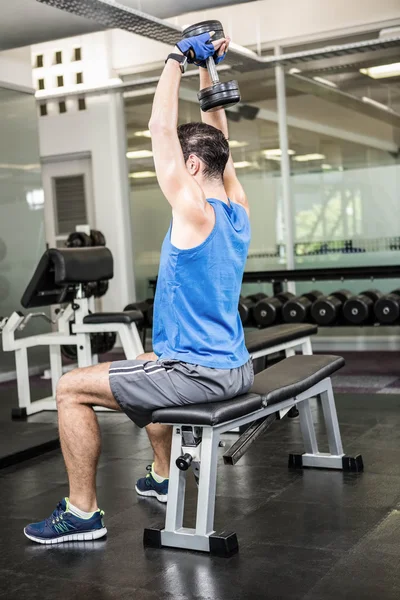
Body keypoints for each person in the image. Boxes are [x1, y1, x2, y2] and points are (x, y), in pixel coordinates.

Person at [24, 29, 252, 545]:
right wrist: (207, 69)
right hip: (232, 366)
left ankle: (82, 513)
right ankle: (162, 476)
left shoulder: (194, 212)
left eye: (181, 161)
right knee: (148, 360)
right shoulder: (237, 208)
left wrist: (175, 56)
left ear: (192, 166)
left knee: (68, 389)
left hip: (199, 375)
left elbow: (157, 126)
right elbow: (222, 143)